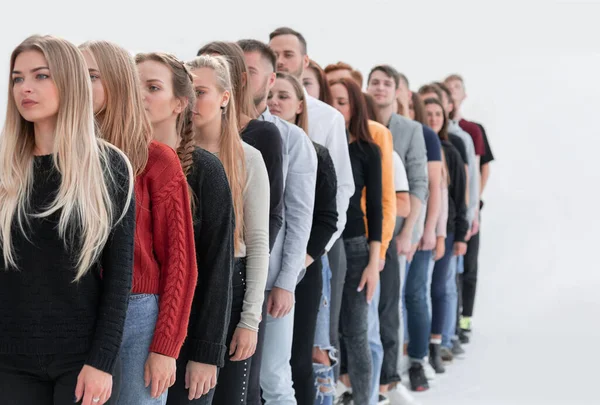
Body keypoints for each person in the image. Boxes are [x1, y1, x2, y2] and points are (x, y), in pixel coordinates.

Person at [0, 35, 135, 405]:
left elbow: (119, 276)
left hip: (82, 361)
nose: (25, 88)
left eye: (41, 76)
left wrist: (102, 361)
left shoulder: (109, 166)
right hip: (10, 363)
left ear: (70, 82)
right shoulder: (4, 169)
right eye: (17, 78)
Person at [80, 41, 198, 405]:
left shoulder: (157, 160)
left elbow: (181, 262)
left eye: (92, 76)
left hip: (137, 315)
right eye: (76, 75)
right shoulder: (67, 155)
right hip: (77, 311)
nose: (81, 84)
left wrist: (165, 346)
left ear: (116, 83)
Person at [174, 54, 269, 405]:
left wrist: (250, 320)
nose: (193, 101)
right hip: (183, 289)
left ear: (225, 97)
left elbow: (258, 242)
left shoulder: (247, 158)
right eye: (188, 91)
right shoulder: (173, 156)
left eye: (202, 91)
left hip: (232, 284)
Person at [268, 27, 355, 396]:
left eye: (288, 54)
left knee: (299, 355)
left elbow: (337, 200)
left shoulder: (326, 121)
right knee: (267, 363)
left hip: (308, 257)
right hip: (265, 262)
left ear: (305, 60)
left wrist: (306, 256)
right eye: (275, 54)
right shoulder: (253, 125)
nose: (281, 60)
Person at [238, 38, 317, 405]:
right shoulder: (212, 128)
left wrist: (287, 281)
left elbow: (300, 216)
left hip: (272, 278)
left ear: (270, 81)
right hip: (232, 276)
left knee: (273, 376)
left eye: (250, 72)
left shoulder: (291, 138)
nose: (240, 78)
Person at [268, 71, 338, 405]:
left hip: (303, 270)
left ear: (299, 106)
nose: (274, 102)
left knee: (297, 359)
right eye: (271, 95)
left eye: (283, 96)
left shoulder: (316, 153)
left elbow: (327, 219)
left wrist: (298, 261)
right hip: (265, 269)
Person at [366, 65, 428, 404]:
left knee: (390, 308)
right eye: (374, 82)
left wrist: (411, 233)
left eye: (386, 83)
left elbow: (419, 183)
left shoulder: (410, 130)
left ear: (397, 90)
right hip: (366, 228)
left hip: (396, 230)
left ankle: (388, 379)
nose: (379, 88)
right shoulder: (358, 122)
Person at [197, 41, 284, 252]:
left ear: (240, 79)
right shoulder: (182, 136)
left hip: (236, 264)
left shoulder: (263, 135)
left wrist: (251, 275)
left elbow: (271, 214)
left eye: (219, 66)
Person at [329, 77, 383, 405]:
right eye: (330, 100)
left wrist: (374, 264)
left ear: (354, 108)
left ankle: (366, 399)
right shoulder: (315, 142)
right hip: (323, 248)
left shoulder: (367, 150)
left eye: (342, 101)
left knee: (356, 334)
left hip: (355, 248)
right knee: (327, 335)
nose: (335, 108)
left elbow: (376, 208)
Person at [444, 74, 494, 338]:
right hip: (452, 210)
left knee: (469, 265)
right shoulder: (439, 127)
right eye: (448, 89)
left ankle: (465, 318)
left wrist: (472, 206)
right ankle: (451, 320)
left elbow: (480, 170)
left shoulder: (473, 130)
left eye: (456, 89)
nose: (452, 93)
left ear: (463, 95)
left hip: (471, 208)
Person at [423, 98, 468, 373]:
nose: (433, 118)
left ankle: (436, 345)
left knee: (439, 288)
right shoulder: (421, 144)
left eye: (438, 113)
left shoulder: (451, 150)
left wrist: (460, 235)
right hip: (420, 229)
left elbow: (459, 198)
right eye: (427, 114)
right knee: (419, 292)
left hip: (447, 230)